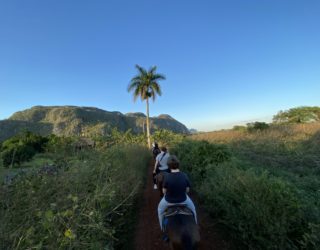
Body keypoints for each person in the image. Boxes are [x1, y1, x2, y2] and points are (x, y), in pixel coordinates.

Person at [157, 155, 197, 231]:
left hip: (168, 201)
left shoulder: (167, 177)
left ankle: (162, 229)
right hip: (184, 200)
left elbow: (164, 191)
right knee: (193, 210)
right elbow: (187, 190)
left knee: (160, 210)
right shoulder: (184, 175)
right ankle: (195, 225)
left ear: (169, 166)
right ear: (178, 165)